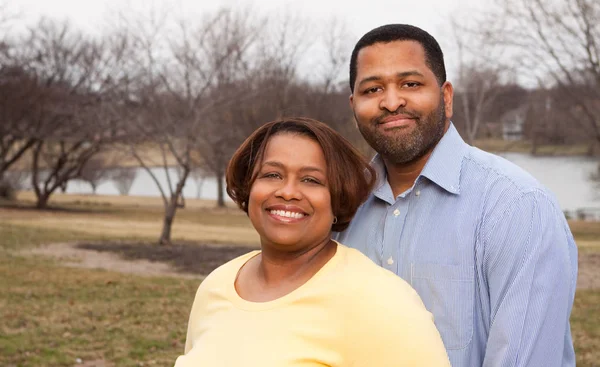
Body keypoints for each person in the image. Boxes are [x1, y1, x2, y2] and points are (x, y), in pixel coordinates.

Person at [335, 24, 578, 366]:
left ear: (446, 97)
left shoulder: (518, 207)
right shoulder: (341, 206)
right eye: (373, 89)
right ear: (354, 104)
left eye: (411, 84)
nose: (391, 102)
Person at [174, 117, 450, 366]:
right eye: (272, 175)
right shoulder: (216, 285)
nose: (288, 192)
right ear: (249, 187)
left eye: (311, 180)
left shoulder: (382, 302)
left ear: (337, 198)